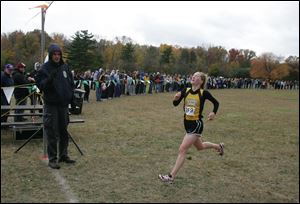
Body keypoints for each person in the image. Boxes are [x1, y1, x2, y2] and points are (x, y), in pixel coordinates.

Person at [158, 71, 224, 183]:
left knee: (182, 149)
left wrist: (213, 113)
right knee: (200, 147)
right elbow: (175, 104)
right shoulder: (186, 90)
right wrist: (175, 98)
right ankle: (218, 146)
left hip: (196, 125)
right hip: (187, 124)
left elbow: (216, 103)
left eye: (197, 76)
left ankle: (171, 177)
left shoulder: (204, 93)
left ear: (201, 81)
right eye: (193, 75)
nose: (193, 76)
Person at [36, 43, 76, 169]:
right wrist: (49, 80)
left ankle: (63, 155)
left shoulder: (65, 67)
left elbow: (70, 83)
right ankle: (52, 159)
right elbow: (40, 86)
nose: (57, 56)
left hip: (63, 105)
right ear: (51, 55)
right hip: (51, 105)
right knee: (52, 132)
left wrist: (72, 98)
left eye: (59, 54)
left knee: (64, 131)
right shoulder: (44, 69)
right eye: (55, 54)